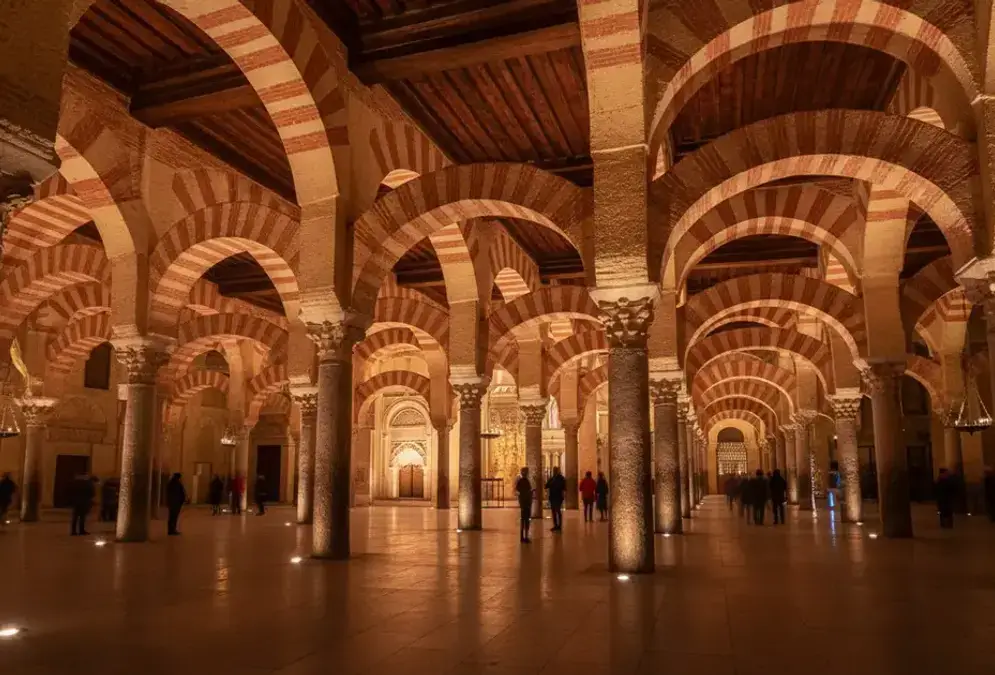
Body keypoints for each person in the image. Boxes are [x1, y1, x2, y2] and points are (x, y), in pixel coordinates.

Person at [546, 466, 567, 532]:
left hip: (558, 497)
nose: (554, 471)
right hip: (552, 497)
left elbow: (564, 487)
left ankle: (559, 526)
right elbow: (546, 486)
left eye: (555, 470)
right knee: (554, 512)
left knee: (557, 511)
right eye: (554, 470)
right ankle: (555, 525)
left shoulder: (561, 478)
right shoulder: (552, 478)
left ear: (557, 471)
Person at [515, 467, 533, 543]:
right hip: (526, 503)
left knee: (523, 520)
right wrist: (530, 492)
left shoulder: (520, 481)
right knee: (526, 521)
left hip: (523, 503)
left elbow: (518, 490)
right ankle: (525, 537)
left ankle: (522, 537)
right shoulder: (525, 481)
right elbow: (526, 491)